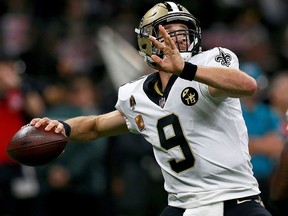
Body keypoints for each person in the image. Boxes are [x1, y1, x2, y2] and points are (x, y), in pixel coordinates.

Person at [30, 2, 272, 216]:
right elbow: (95, 126)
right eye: (170, 33)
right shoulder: (135, 96)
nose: (180, 40)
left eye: (184, 33)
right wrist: (63, 126)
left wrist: (186, 70)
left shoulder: (209, 65)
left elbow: (247, 86)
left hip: (236, 199)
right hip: (182, 205)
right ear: (149, 43)